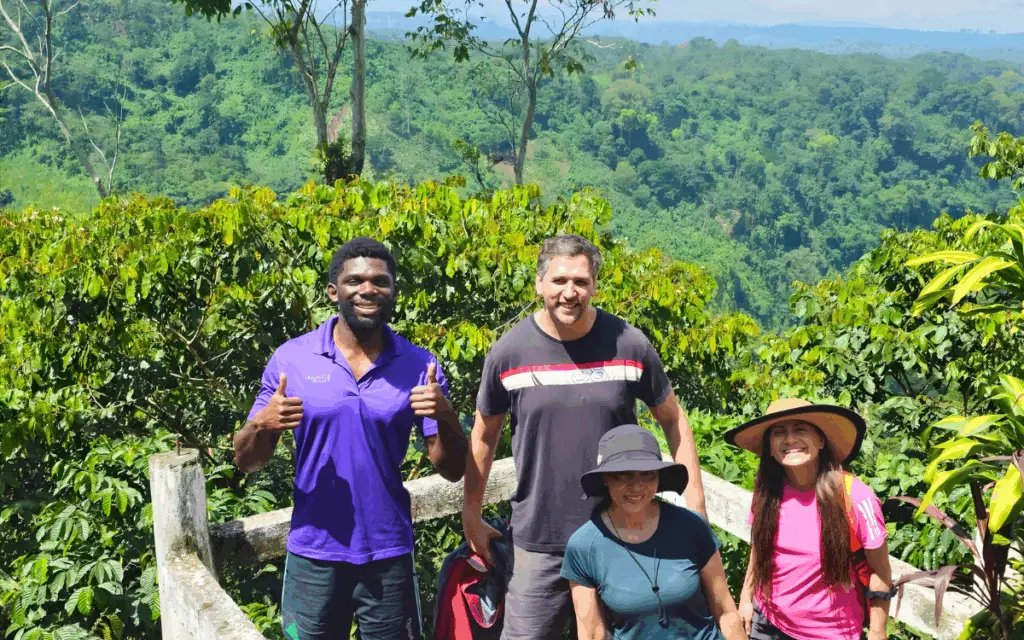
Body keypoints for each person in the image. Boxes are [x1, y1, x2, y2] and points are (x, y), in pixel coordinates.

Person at [461, 234, 709, 640]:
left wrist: (694, 503)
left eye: (580, 281)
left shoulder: (628, 343)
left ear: (594, 285)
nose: (569, 292)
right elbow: (484, 437)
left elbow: (674, 420)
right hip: (538, 538)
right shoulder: (510, 352)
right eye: (559, 281)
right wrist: (471, 512)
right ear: (539, 284)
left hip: (622, 533)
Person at [232, 237, 468, 640]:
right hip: (313, 551)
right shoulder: (292, 359)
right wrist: (262, 425)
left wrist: (445, 414)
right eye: (355, 280)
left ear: (393, 292)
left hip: (389, 550)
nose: (368, 289)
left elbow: (451, 469)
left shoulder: (419, 364)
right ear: (333, 291)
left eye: (380, 281)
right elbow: (247, 462)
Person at [724, 398, 895, 640]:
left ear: (821, 440)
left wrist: (878, 633)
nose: (790, 439)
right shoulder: (767, 492)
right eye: (779, 432)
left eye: (800, 429)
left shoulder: (856, 498)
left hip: (829, 632)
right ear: (770, 448)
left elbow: (881, 573)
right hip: (767, 621)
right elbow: (759, 549)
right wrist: (746, 599)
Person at [562, 425, 747, 640]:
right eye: (624, 475)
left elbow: (725, 611)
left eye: (647, 474)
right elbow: (592, 633)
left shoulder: (690, 526)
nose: (637, 486)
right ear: (606, 478)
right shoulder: (584, 546)